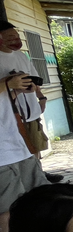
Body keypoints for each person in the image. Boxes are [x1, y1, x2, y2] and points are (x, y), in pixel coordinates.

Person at [0, 70, 49, 232]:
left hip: (17, 145)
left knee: (38, 196)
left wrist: (16, 89)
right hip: (2, 155)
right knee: (6, 209)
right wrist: (8, 83)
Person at [0, 20, 62, 182]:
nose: (15, 39)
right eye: (10, 36)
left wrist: (40, 96)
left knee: (35, 144)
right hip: (10, 115)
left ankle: (39, 173)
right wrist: (10, 84)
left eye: (16, 35)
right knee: (21, 147)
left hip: (30, 109)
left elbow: (33, 77)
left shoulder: (21, 56)